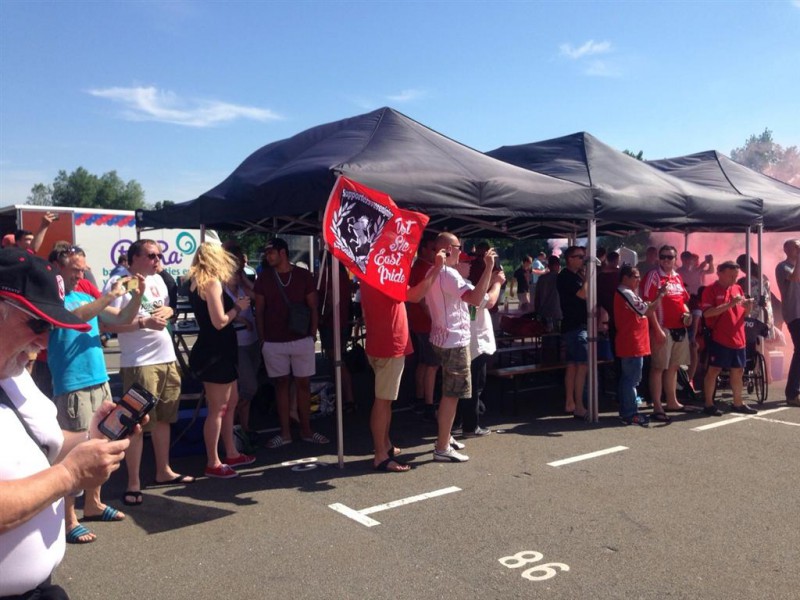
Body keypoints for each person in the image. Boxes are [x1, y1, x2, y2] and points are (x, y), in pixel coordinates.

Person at [0, 247, 132, 598]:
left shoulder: (15, 376)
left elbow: (48, 443)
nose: (46, 339)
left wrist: (94, 433)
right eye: (37, 323)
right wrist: (69, 476)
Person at [48, 247, 145, 544]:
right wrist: (110, 295)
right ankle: (69, 518)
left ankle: (93, 503)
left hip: (99, 378)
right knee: (73, 452)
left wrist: (137, 294)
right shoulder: (54, 297)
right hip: (72, 383)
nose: (82, 274)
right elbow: (75, 318)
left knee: (102, 441)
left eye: (83, 268)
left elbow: (121, 317)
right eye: (76, 269)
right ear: (58, 268)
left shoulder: (85, 294)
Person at [103, 239, 190, 506]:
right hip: (140, 362)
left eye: (159, 255)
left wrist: (170, 310)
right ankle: (133, 482)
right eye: (151, 255)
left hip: (166, 358)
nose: (157, 260)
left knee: (164, 417)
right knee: (137, 425)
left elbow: (165, 310)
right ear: (133, 259)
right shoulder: (121, 283)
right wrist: (144, 322)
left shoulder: (158, 280)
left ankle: (163, 470)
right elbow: (111, 322)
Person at [360, 250, 444, 472]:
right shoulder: (383, 275)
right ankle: (380, 454)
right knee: (383, 401)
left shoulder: (370, 273)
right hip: (388, 345)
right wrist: (436, 269)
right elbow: (415, 295)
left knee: (384, 401)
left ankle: (384, 445)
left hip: (382, 343)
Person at [425, 232, 498, 462]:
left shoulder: (434, 271)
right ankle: (442, 446)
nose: (462, 251)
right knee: (452, 394)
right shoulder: (448, 275)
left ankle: (445, 437)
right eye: (459, 247)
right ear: (447, 249)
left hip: (441, 337)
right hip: (454, 341)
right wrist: (489, 269)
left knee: (448, 392)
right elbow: (477, 299)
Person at [187, 243, 254, 479]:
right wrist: (237, 308)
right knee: (218, 409)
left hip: (218, 350)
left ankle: (232, 452)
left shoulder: (195, 282)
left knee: (231, 401)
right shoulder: (212, 283)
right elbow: (219, 321)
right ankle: (213, 461)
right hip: (216, 351)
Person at [254, 238, 327, 448]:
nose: (268, 256)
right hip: (273, 341)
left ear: (283, 253)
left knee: (304, 384)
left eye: (271, 252)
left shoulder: (303, 275)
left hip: (301, 339)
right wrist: (262, 340)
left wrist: (312, 335)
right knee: (281, 385)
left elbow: (313, 306)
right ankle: (285, 433)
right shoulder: (264, 277)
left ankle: (306, 430)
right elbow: (259, 309)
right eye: (267, 253)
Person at [454, 251, 504, 437]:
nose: (469, 265)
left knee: (468, 385)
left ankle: (460, 422)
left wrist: (491, 280)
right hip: (473, 342)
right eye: (466, 262)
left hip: (469, 340)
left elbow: (480, 294)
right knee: (474, 386)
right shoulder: (461, 283)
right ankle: (470, 425)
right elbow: (488, 301)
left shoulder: (458, 283)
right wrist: (497, 283)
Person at [641, 245, 691, 422]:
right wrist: (656, 329)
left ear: (675, 259)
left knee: (674, 366)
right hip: (663, 328)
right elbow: (647, 305)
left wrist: (686, 313)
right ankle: (657, 405)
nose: (667, 260)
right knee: (658, 368)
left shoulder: (677, 276)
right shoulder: (653, 276)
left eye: (670, 257)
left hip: (679, 328)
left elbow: (683, 300)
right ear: (658, 259)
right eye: (663, 257)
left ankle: (672, 401)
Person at [701, 261, 758, 416]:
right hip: (720, 337)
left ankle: (738, 403)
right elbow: (707, 313)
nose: (734, 279)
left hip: (738, 337)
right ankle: (708, 404)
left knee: (738, 370)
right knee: (714, 370)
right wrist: (730, 303)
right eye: (730, 275)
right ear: (719, 273)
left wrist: (748, 307)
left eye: (736, 275)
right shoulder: (710, 290)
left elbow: (744, 315)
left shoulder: (737, 288)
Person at [615, 265, 665, 426]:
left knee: (628, 379)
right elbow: (645, 310)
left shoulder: (627, 292)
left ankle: (627, 412)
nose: (639, 280)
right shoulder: (626, 292)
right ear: (625, 278)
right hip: (631, 342)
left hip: (634, 342)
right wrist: (660, 296)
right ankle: (630, 413)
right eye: (635, 276)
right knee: (631, 380)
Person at [223, 241, 261, 440]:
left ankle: (243, 426)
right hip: (236, 342)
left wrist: (245, 281)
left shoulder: (241, 284)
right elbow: (220, 313)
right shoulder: (220, 286)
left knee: (247, 388)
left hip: (252, 339)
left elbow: (258, 296)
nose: (238, 267)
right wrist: (240, 318)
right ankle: (231, 424)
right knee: (249, 386)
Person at [407, 234, 440, 420]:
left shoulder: (416, 267)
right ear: (424, 250)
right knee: (432, 365)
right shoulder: (425, 268)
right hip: (426, 323)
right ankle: (428, 403)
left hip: (418, 322)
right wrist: (435, 319)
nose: (436, 252)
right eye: (433, 249)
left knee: (423, 362)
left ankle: (420, 398)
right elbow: (422, 299)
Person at [557, 246, 590, 418]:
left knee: (572, 365)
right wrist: (589, 277)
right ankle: (578, 404)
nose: (583, 260)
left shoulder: (576, 275)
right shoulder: (565, 277)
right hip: (575, 326)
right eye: (580, 257)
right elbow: (582, 295)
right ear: (570, 259)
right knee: (581, 366)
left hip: (576, 325)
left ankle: (571, 402)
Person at [775, 238, 800, 407]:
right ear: (788, 250)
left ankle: (794, 390)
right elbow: (795, 277)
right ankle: (792, 393)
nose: (799, 250)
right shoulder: (783, 267)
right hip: (794, 313)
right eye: (797, 248)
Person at [533, 255, 562, 332]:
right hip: (558, 312)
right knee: (558, 336)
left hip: (544, 312)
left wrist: (537, 312)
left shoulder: (542, 279)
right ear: (558, 266)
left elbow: (537, 297)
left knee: (546, 336)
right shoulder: (561, 278)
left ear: (548, 266)